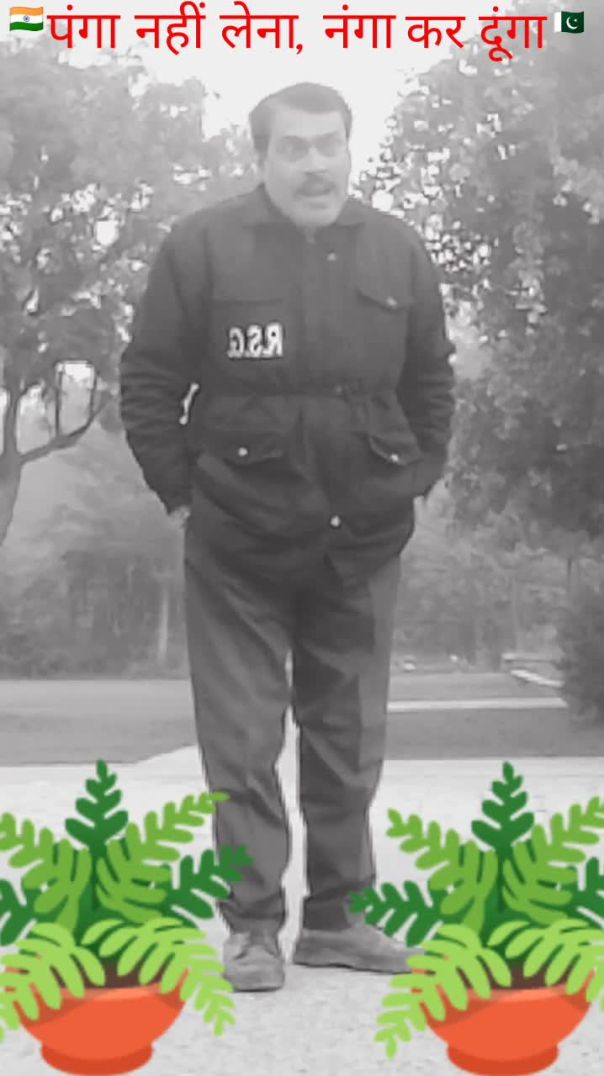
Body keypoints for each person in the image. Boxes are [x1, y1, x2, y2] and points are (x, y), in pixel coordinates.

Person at [120, 82, 455, 992]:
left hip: (362, 536)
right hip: (237, 537)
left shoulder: (398, 249)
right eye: (294, 148)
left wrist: (418, 479)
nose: (314, 164)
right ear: (261, 158)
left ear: (349, 148)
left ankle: (338, 921)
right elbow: (149, 379)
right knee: (241, 743)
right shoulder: (202, 247)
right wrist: (181, 495)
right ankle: (254, 929)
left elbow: (431, 380)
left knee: (348, 738)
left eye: (328, 144)